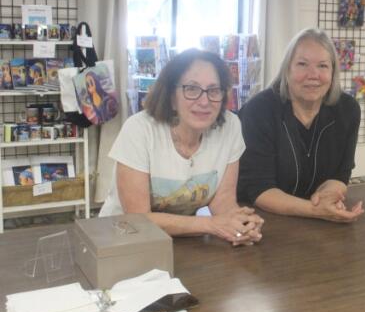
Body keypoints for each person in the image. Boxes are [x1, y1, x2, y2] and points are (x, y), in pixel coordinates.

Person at [100, 48, 263, 246]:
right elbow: (138, 218)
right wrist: (212, 225)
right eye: (191, 89)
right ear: (171, 96)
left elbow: (224, 200)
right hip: (125, 240)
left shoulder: (230, 126)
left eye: (213, 90)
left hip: (186, 242)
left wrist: (240, 225)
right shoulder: (139, 130)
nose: (204, 101)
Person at [238, 28, 364, 223]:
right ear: (287, 70)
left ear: (332, 73)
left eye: (323, 66)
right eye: (302, 64)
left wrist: (328, 197)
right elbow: (259, 189)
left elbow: (341, 174)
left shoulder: (347, 110)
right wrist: (318, 210)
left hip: (316, 223)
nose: (313, 75)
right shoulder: (259, 110)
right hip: (260, 222)